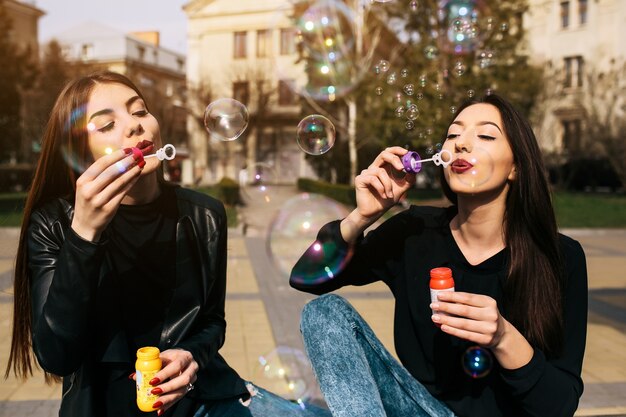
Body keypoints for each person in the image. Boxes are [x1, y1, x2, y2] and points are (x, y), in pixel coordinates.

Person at [5, 71, 331, 417]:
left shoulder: (204, 215)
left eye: (140, 111)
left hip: (202, 402)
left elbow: (211, 322)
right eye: (106, 124)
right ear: (80, 154)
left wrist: (191, 356)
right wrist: (83, 235)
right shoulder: (54, 223)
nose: (134, 126)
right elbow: (57, 356)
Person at [290, 93, 587, 417]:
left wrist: (503, 337)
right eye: (453, 134)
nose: (461, 144)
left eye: (485, 135)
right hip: (419, 410)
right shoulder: (414, 233)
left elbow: (560, 406)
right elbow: (307, 278)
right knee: (323, 313)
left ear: (516, 166)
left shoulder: (560, 257)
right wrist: (361, 217)